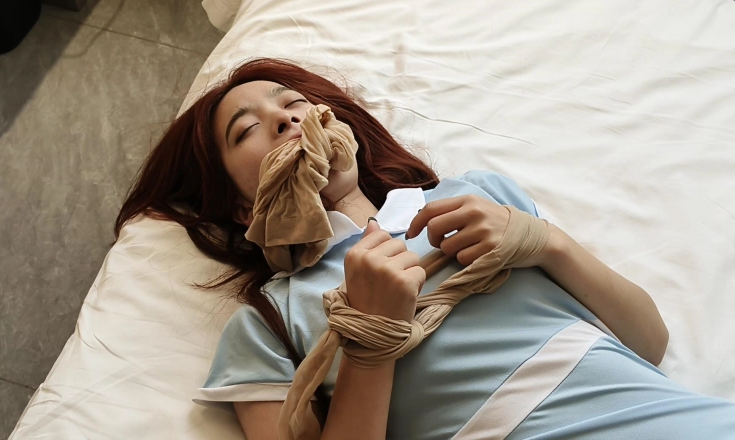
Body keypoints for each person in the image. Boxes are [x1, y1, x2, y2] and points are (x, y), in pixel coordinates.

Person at [115, 59, 735, 439]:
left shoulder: (478, 196)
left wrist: (545, 242)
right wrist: (370, 341)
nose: (286, 120)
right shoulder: (267, 325)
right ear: (243, 210)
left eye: (294, 103)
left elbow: (650, 343)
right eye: (247, 130)